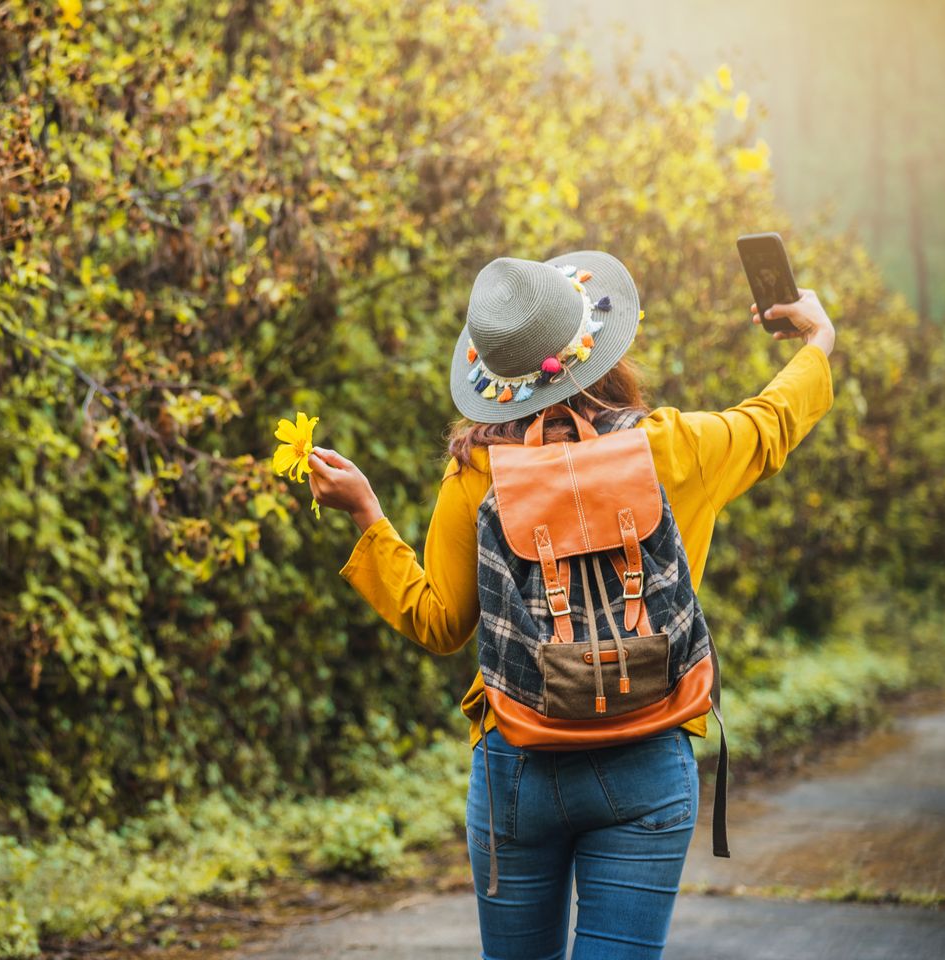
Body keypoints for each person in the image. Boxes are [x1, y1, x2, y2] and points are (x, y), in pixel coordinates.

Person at [307, 252, 835, 960]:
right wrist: (816, 341)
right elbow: (770, 423)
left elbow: (439, 624)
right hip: (647, 758)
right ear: (596, 346)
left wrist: (369, 516)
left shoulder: (475, 474)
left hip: (516, 767)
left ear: (495, 378)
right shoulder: (671, 448)